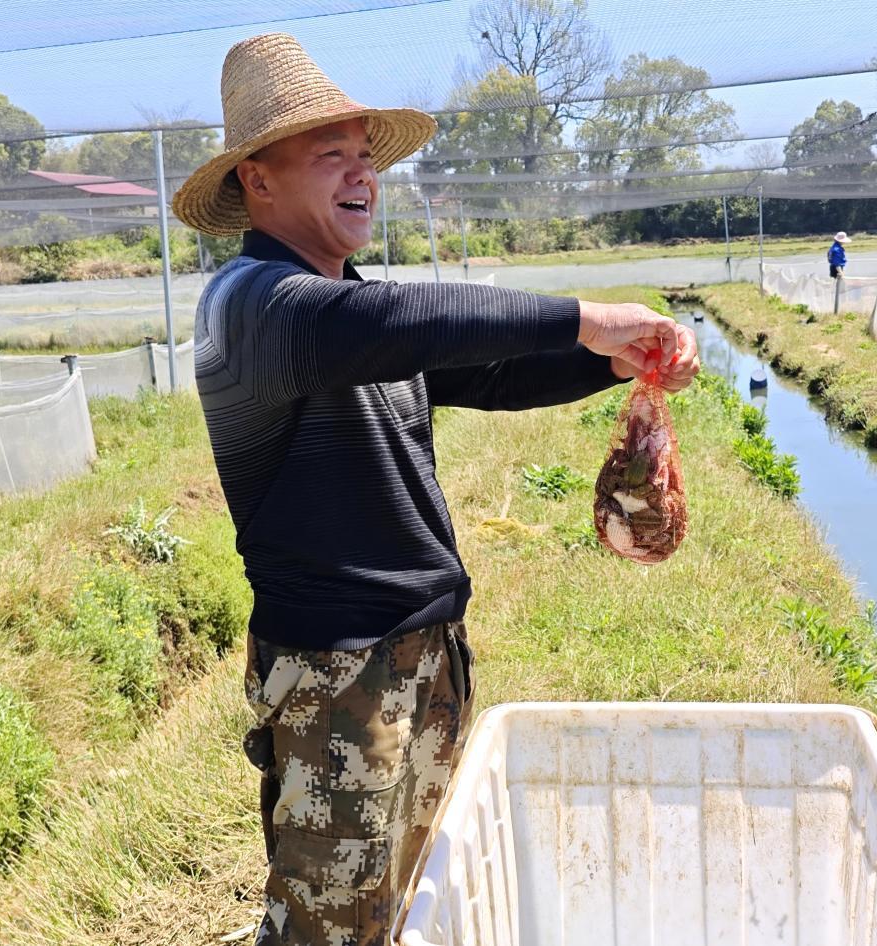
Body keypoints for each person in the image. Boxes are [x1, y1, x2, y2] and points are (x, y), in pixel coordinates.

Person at [171, 33, 699, 946]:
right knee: (327, 923)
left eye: (365, 157)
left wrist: (609, 365)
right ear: (256, 181)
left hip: (426, 650)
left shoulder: (345, 303)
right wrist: (584, 315)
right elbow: (400, 322)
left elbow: (485, 374)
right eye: (329, 154)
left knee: (413, 891)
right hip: (338, 672)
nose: (360, 176)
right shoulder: (252, 305)